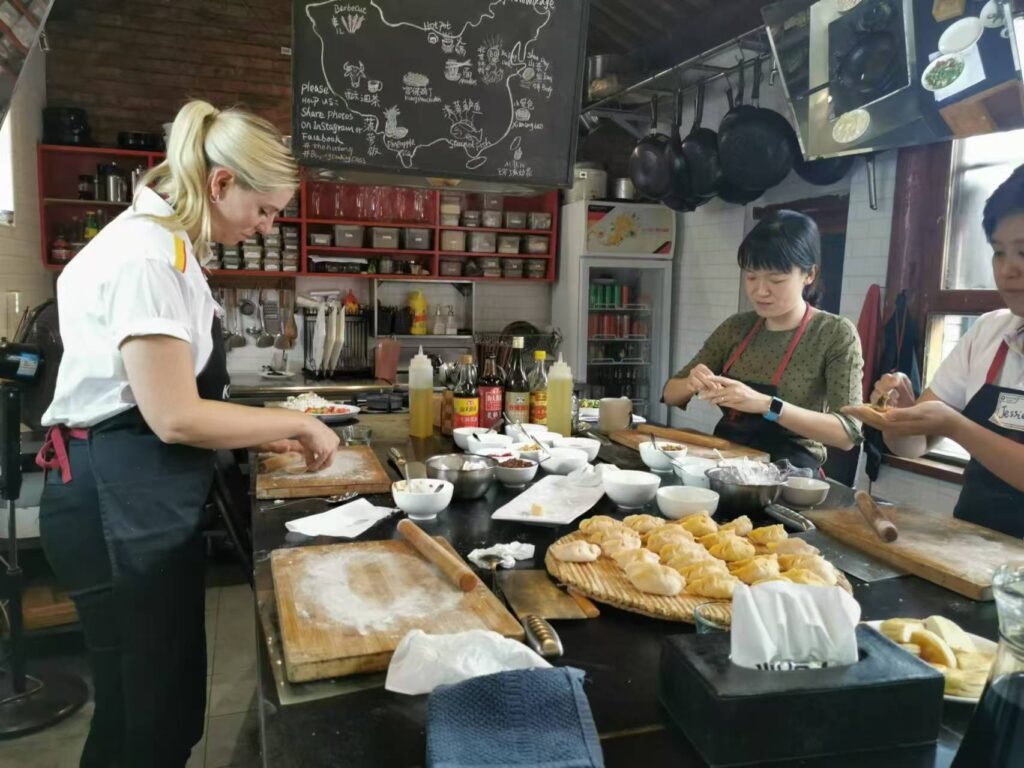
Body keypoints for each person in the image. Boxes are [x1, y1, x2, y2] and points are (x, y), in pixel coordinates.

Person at [35, 100, 340, 767]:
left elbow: (172, 403)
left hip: (133, 490)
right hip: (116, 499)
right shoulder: (148, 257)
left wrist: (253, 435)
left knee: (152, 706)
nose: (267, 227)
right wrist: (295, 418)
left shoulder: (165, 246)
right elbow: (172, 414)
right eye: (264, 210)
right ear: (221, 183)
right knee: (143, 720)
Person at [859, 165, 1024, 537]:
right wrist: (898, 414)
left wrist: (954, 425)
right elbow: (912, 446)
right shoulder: (988, 332)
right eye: (999, 252)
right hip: (973, 550)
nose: (1009, 269)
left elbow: (950, 425)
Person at [663, 210, 865, 471]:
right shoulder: (737, 327)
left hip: (790, 472)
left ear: (809, 274)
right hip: (725, 463)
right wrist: (691, 383)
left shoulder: (835, 334)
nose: (760, 290)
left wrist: (766, 405)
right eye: (751, 276)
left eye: (776, 279)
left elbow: (847, 433)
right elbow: (670, 394)